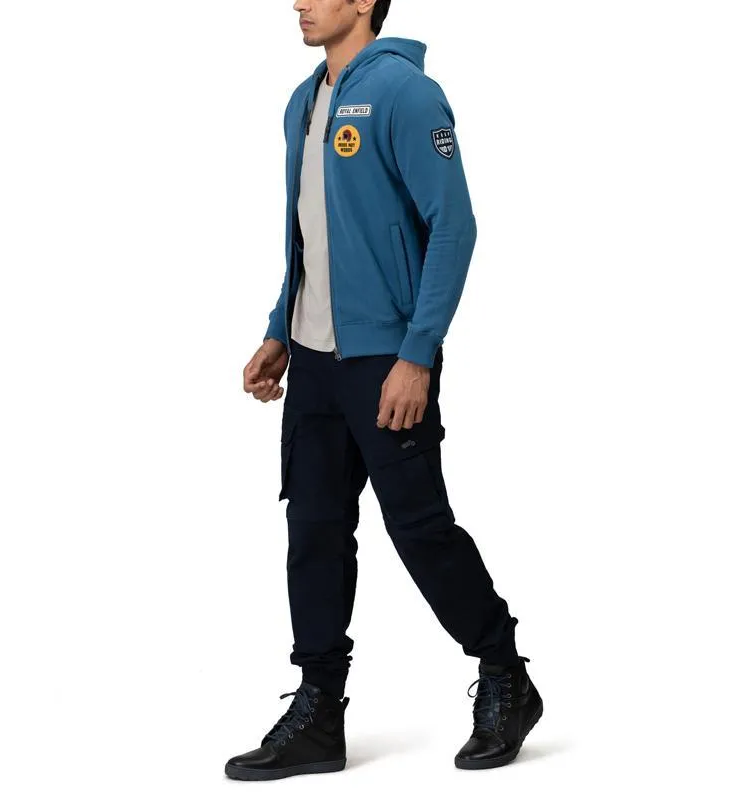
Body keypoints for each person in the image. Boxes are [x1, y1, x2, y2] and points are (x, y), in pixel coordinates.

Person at [226, 0, 542, 780]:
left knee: (420, 527)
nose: (299, 2)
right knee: (314, 531)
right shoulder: (302, 103)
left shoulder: (405, 92)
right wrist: (280, 328)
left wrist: (418, 354)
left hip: (386, 358)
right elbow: (310, 235)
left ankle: (505, 673)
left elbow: (454, 226)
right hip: (313, 362)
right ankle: (318, 713)